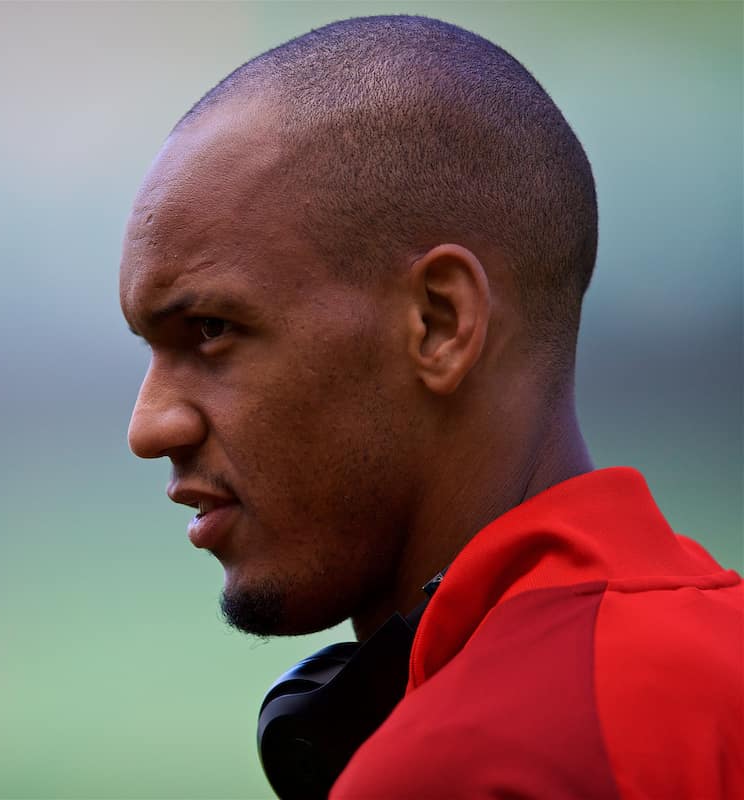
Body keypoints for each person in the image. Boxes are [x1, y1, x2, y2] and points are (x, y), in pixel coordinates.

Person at [119, 15, 742, 799]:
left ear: (439, 324)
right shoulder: (719, 655)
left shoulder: (468, 765)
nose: (150, 427)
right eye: (149, 345)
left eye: (212, 330)